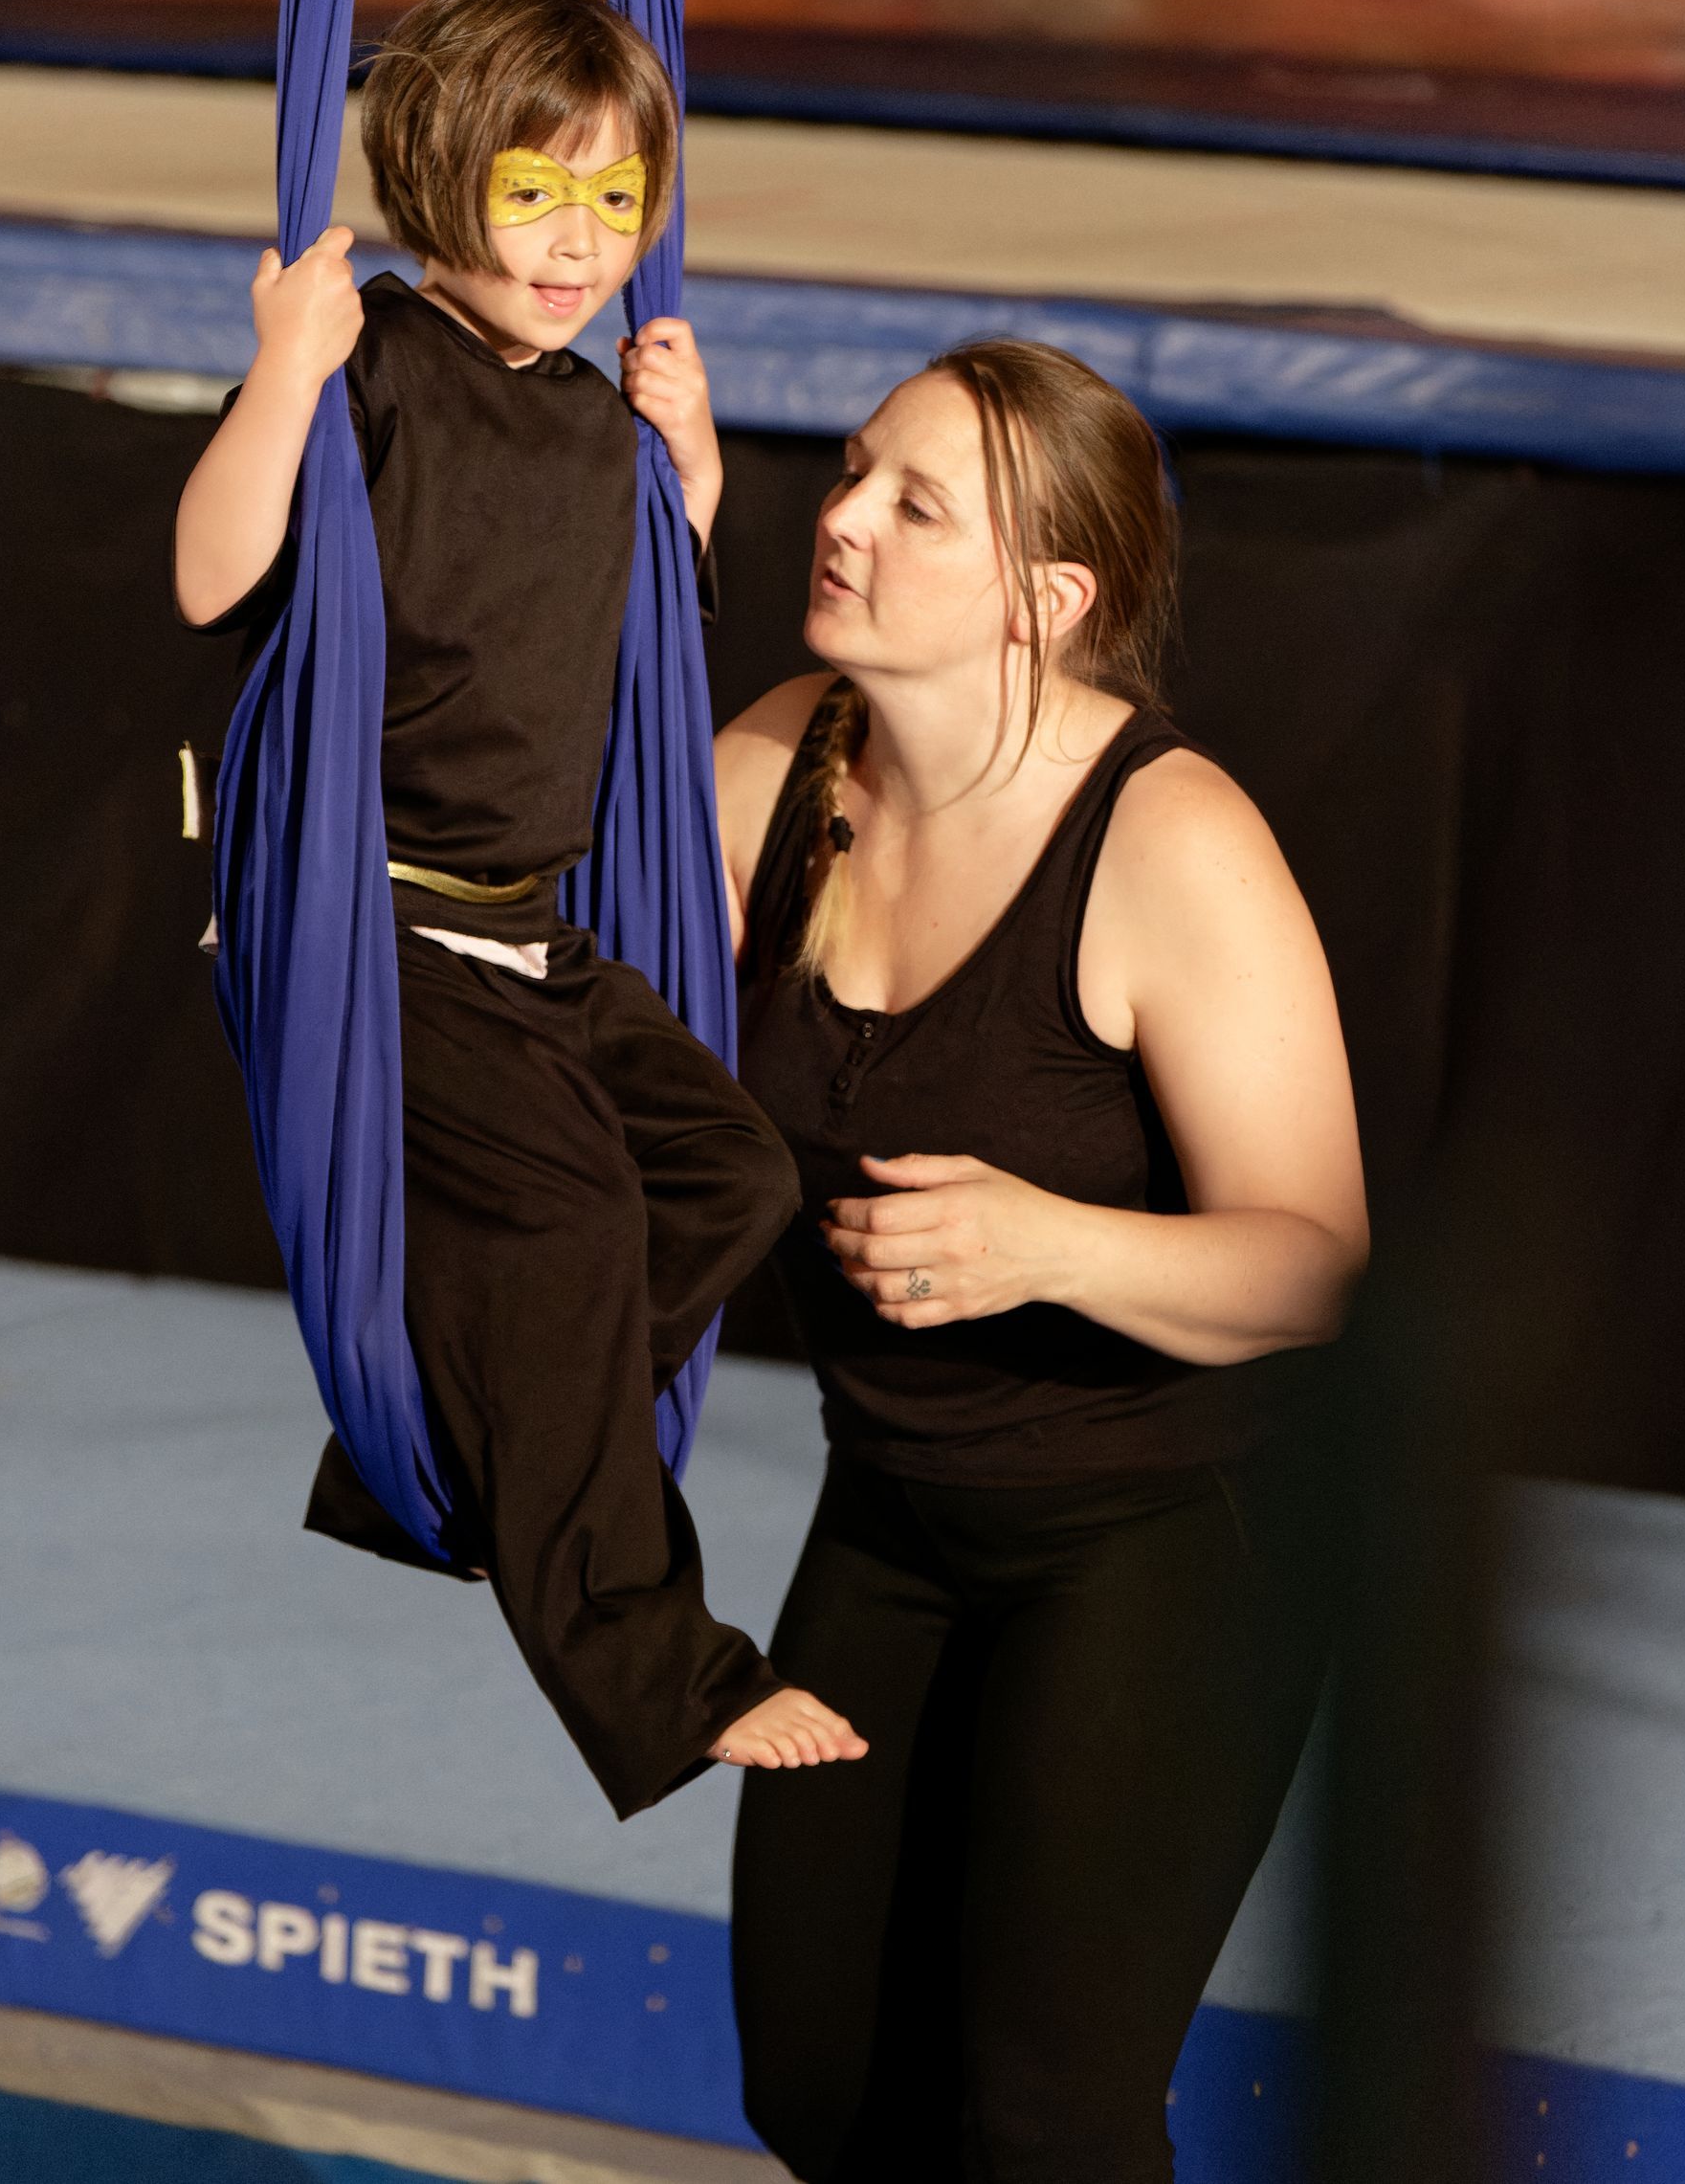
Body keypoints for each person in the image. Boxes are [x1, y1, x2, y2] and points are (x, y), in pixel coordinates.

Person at [173, 0, 865, 1816]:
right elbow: (206, 579)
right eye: (536, 195)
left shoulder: (595, 415)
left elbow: (626, 645)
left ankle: (485, 1465)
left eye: (616, 202)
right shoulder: (375, 367)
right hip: (380, 938)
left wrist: (696, 480)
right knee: (563, 1250)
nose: (580, 245)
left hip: (536, 928)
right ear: (431, 174)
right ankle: (657, 1664)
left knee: (730, 1179)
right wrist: (282, 372)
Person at [715, 339, 1367, 2178]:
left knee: (1045, 2123)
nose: (840, 519)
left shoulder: (1169, 836)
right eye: (851, 472)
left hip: (1169, 1538)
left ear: (1047, 597)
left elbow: (1320, 1264)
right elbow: (568, 1017)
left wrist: (1049, 1242)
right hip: (899, 1513)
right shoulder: (773, 766)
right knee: (825, 2092)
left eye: (916, 506)